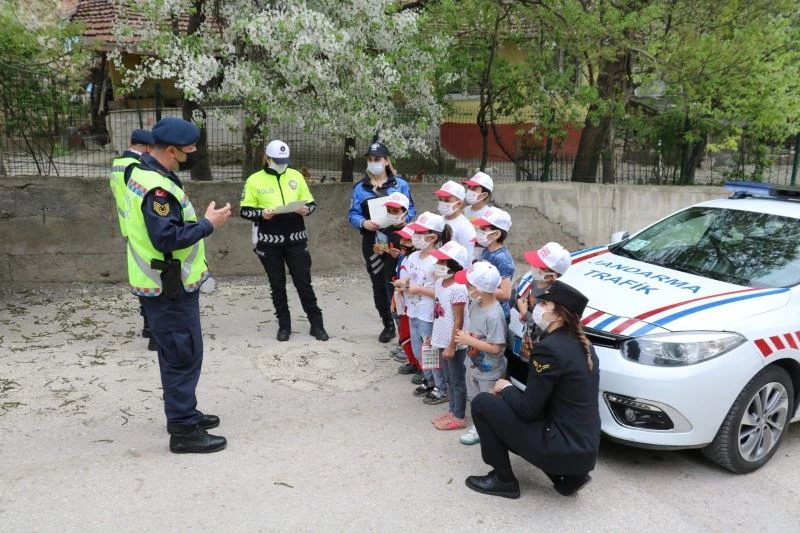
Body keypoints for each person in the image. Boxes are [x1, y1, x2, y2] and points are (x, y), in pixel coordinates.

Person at [124, 117, 232, 454]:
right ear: (170, 150)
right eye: (188, 151)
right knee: (182, 356)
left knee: (181, 352)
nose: (192, 154)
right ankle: (184, 432)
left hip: (166, 284)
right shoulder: (156, 189)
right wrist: (207, 224)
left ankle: (184, 413)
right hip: (167, 287)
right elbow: (166, 237)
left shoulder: (144, 173)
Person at [465, 280, 600, 499]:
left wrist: (506, 387)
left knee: (483, 403)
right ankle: (568, 477)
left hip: (562, 448)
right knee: (519, 409)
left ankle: (503, 480)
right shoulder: (583, 345)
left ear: (558, 315)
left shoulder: (550, 348)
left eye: (545, 303)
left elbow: (529, 410)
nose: (538, 306)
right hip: (583, 450)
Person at [240, 140, 327, 342]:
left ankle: (317, 324)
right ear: (267, 158)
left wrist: (306, 210)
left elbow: (311, 203)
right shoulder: (254, 180)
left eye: (284, 160)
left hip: (296, 240)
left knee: (304, 283)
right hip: (269, 242)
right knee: (277, 285)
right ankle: (284, 325)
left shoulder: (295, 175)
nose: (281, 164)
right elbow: (245, 210)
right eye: (277, 160)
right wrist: (262, 214)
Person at [349, 140, 416, 343]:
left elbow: (412, 209)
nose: (373, 162)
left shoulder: (401, 185)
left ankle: (404, 326)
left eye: (377, 159)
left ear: (386, 161)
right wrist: (363, 222)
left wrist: (405, 219)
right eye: (370, 159)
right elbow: (352, 214)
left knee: (398, 281)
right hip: (373, 241)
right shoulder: (360, 188)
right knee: (378, 284)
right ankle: (387, 324)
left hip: (398, 238)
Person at [394, 211, 451, 403]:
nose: (415, 236)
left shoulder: (438, 260)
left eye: (420, 232)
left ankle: (440, 387)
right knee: (418, 350)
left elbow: (440, 291)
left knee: (430, 352)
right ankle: (429, 380)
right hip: (413, 310)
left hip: (428, 313)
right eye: (415, 231)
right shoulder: (413, 257)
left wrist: (418, 289)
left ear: (433, 237)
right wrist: (403, 282)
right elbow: (408, 275)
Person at [452, 261, 507, 445]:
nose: (466, 288)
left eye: (469, 285)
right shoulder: (476, 303)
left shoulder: (494, 315)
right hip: (473, 364)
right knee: (475, 399)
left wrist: (469, 340)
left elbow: (497, 348)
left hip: (489, 370)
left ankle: (488, 431)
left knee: (488, 402)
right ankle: (480, 426)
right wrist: (469, 337)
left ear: (480, 289)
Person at [110, 129, 155, 350]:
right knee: (153, 276)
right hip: (143, 228)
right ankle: (153, 326)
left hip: (128, 227)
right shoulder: (136, 166)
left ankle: (147, 324)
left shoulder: (118, 163)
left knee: (141, 275)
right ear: (148, 148)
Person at [428, 240, 470, 427]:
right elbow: (438, 312)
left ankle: (459, 416)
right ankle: (452, 410)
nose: (438, 265)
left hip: (454, 343)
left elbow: (458, 319)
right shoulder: (439, 283)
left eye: (443, 262)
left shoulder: (459, 288)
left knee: (457, 380)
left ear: (454, 265)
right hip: (440, 339)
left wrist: (452, 345)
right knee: (447, 379)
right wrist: (432, 336)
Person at [515, 242, 571, 359]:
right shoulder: (536, 281)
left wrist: (525, 312)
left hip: (540, 344)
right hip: (528, 336)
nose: (534, 266)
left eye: (539, 265)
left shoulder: (551, 297)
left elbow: (542, 325)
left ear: (552, 275)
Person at [471, 206, 515, 322]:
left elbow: (505, 293)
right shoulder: (486, 250)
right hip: (485, 307)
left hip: (497, 315)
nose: (479, 231)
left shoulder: (502, 258)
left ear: (496, 234)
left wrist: (481, 291)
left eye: (484, 229)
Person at [434, 180, 475, 259]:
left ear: (459, 203)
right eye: (440, 199)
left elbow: (468, 257)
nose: (442, 203)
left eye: (447, 200)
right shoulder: (440, 219)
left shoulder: (465, 227)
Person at [463, 171, 494, 261]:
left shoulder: (489, 214)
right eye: (469, 187)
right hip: (465, 254)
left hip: (481, 257)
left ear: (484, 194)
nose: (469, 191)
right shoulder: (464, 211)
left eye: (474, 189)